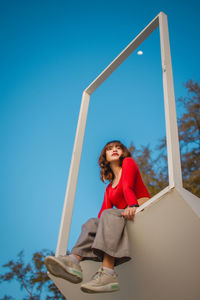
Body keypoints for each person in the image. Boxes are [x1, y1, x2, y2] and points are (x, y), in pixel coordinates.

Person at [44, 140, 150, 294]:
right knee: (93, 222)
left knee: (108, 215)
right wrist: (96, 227)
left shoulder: (128, 162)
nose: (114, 150)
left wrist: (132, 205)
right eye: (110, 149)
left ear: (123, 152)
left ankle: (108, 273)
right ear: (104, 157)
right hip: (122, 214)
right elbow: (103, 214)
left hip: (140, 204)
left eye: (118, 148)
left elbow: (128, 186)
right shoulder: (109, 188)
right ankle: (73, 261)